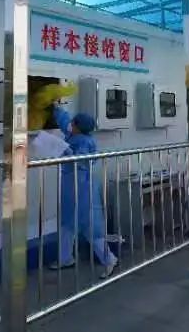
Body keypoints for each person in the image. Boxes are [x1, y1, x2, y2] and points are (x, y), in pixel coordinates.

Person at [49, 105, 118, 279]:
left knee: (90, 227)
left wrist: (65, 151)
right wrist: (56, 108)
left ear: (79, 127)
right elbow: (65, 122)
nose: (70, 124)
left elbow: (81, 161)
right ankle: (65, 258)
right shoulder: (74, 134)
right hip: (70, 189)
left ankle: (109, 259)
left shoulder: (84, 142)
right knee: (67, 225)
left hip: (82, 190)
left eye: (73, 123)